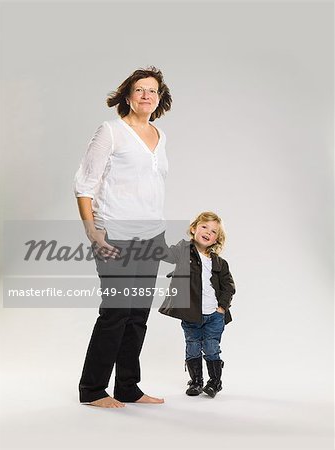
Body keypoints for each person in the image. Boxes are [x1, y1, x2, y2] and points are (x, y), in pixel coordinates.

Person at [74, 66, 172, 408]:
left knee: (137, 315)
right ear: (127, 96)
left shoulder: (160, 135)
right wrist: (92, 231)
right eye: (140, 89)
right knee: (116, 312)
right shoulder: (111, 132)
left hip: (150, 237)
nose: (146, 95)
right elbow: (84, 184)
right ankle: (92, 390)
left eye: (153, 90)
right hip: (114, 234)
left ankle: (128, 386)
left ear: (159, 99)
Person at [159, 211, 236, 398]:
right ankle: (196, 382)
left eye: (214, 231)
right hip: (190, 314)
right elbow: (166, 254)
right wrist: (157, 233)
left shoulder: (220, 263)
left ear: (217, 238)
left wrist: (221, 308)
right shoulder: (183, 250)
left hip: (214, 315)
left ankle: (215, 382)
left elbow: (229, 287)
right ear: (193, 229)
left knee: (211, 348)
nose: (208, 232)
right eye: (204, 227)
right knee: (192, 346)